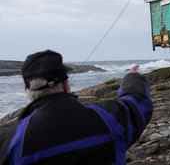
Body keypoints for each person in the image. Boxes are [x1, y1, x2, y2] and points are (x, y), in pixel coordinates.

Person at [0, 50, 153, 165]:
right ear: (66, 85)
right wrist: (132, 76)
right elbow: (137, 102)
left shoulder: (12, 141)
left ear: (27, 91)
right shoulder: (107, 118)